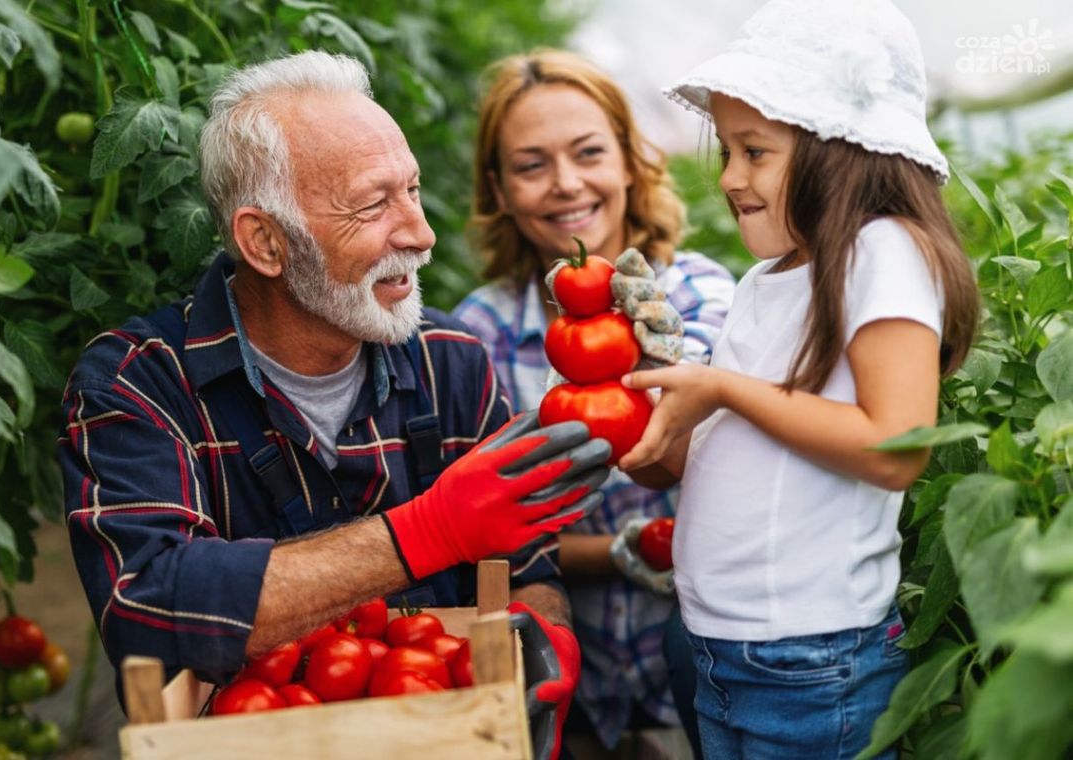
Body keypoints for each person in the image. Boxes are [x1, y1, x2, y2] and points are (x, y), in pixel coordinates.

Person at [57, 50, 613, 758]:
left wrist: (545, 634)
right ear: (265, 241)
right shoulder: (138, 383)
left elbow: (527, 567)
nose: (420, 232)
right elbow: (147, 603)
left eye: (411, 191)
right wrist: (426, 531)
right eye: (375, 203)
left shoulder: (452, 360)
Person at [618, 1, 982, 757]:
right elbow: (756, 444)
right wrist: (665, 440)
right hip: (729, 651)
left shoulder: (883, 252)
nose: (730, 177)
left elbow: (895, 446)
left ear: (841, 150)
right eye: (727, 151)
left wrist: (721, 389)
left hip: (812, 666)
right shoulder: (765, 282)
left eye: (756, 152)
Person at [453, 49, 735, 756]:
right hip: (559, 686)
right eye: (531, 165)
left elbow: (683, 463)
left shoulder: (700, 295)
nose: (566, 185)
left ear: (630, 161)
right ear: (499, 188)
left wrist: (650, 351)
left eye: (588, 153)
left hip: (702, 671)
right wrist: (616, 552)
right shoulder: (476, 334)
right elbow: (484, 534)